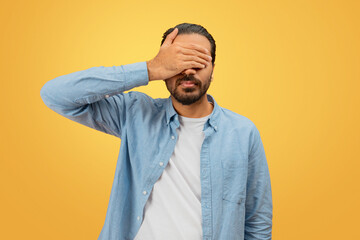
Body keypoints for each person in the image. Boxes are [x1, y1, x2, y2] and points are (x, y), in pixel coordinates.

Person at [40, 23, 273, 240]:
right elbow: (56, 95)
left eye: (199, 60)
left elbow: (257, 220)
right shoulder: (135, 113)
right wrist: (149, 69)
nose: (188, 70)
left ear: (212, 70)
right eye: (179, 60)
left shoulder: (243, 132)